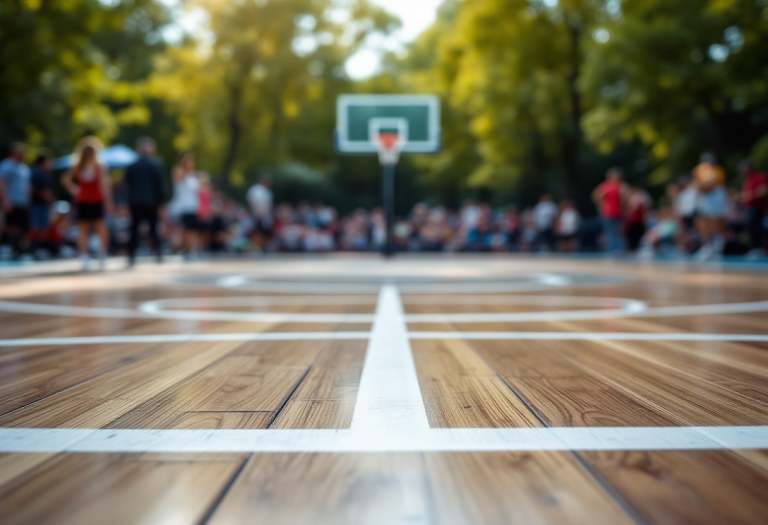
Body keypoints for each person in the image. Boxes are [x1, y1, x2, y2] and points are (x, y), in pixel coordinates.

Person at [61, 137, 113, 270]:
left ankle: (84, 257)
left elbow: (65, 178)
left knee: (83, 230)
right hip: (96, 200)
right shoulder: (99, 166)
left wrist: (75, 190)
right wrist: (109, 202)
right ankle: (102, 255)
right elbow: (104, 186)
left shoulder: (78, 166)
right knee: (101, 229)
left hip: (83, 200)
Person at [124, 137, 166, 267]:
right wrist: (162, 203)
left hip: (135, 202)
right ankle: (158, 253)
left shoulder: (132, 166)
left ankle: (131, 255)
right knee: (153, 228)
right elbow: (160, 186)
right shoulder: (156, 165)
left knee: (134, 229)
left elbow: (126, 186)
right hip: (151, 202)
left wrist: (126, 202)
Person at [693, 152, 727, 260]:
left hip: (715, 197)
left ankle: (717, 247)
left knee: (716, 221)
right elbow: (698, 184)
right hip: (705, 198)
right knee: (704, 222)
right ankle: (707, 247)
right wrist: (703, 187)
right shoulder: (699, 169)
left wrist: (703, 187)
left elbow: (711, 186)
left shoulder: (718, 170)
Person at [0, 143, 32, 258]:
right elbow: (2, 183)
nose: (23, 154)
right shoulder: (6, 165)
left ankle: (20, 249)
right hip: (12, 201)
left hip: (22, 202)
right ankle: (6, 247)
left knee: (26, 227)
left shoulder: (24, 168)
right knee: (9, 226)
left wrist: (28, 199)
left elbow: (27, 186)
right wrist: (5, 200)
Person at [172, 151, 200, 259]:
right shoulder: (179, 173)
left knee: (193, 229)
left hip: (193, 207)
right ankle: (185, 250)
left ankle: (191, 249)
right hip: (184, 207)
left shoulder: (193, 176)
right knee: (186, 229)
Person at [593, 167, 626, 253]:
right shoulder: (604, 186)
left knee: (617, 233)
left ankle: (617, 249)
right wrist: (601, 205)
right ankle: (612, 250)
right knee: (610, 233)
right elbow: (596, 196)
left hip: (618, 213)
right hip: (607, 213)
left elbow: (626, 199)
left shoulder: (621, 186)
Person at [29, 150, 55, 255]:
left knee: (36, 227)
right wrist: (51, 201)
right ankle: (37, 249)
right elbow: (43, 191)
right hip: (40, 204)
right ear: (44, 161)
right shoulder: (41, 174)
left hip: (35, 204)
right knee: (40, 227)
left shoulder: (34, 172)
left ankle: (34, 249)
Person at [247, 175, 273, 251]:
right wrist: (259, 213)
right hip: (258, 215)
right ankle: (254, 248)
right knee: (257, 232)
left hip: (264, 216)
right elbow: (255, 203)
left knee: (264, 233)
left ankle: (260, 248)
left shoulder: (266, 191)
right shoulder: (257, 190)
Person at [625, 184, 652, 252]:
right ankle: (633, 247)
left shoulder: (642, 195)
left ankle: (636, 247)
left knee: (638, 233)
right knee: (633, 233)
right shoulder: (636, 195)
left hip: (639, 218)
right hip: (634, 218)